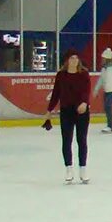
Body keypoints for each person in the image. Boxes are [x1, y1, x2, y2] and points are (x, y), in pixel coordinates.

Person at [47, 50, 92, 184]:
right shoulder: (61, 75)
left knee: (81, 140)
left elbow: (87, 90)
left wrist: (84, 103)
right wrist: (49, 110)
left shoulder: (84, 74)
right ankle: (69, 169)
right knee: (67, 140)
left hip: (82, 112)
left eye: (76, 58)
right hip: (66, 111)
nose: (74, 60)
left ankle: (83, 169)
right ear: (66, 61)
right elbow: (56, 94)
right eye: (71, 58)